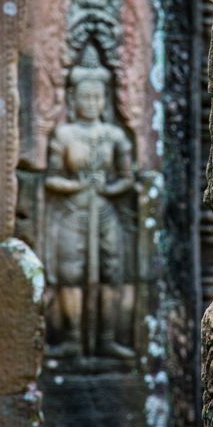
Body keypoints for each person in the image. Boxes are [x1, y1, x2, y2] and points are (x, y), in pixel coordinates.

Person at [45, 45, 136, 359]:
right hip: (74, 212)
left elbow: (128, 178)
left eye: (97, 98)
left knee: (112, 276)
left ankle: (107, 338)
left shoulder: (114, 135)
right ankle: (72, 338)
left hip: (105, 213)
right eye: (85, 98)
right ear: (73, 99)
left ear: (105, 100)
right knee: (71, 276)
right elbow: (51, 178)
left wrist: (110, 189)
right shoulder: (65, 134)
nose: (91, 104)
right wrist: (76, 185)